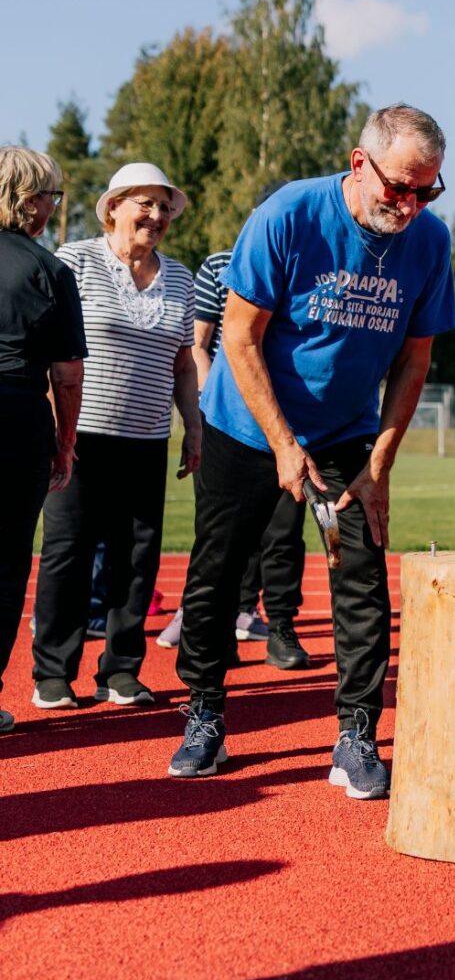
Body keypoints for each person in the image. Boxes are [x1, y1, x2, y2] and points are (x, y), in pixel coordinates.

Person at [170, 104, 455, 798]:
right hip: (246, 424)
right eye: (400, 188)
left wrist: (378, 465)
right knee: (217, 573)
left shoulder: (430, 242)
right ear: (361, 164)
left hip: (345, 432)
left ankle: (356, 732)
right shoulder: (289, 214)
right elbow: (237, 337)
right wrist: (281, 447)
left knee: (360, 573)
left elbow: (415, 363)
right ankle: (205, 714)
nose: (411, 205)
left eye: (428, 190)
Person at [30, 162, 202, 711]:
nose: (156, 215)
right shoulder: (73, 260)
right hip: (78, 436)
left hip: (146, 437)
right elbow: (47, 347)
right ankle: (53, 672)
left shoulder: (180, 277)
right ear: (112, 208)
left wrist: (192, 427)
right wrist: (57, 429)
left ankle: (121, 669)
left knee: (136, 556)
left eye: (163, 207)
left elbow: (183, 362)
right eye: (144, 204)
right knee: (67, 553)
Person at [157, 180, 311, 670]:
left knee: (284, 532)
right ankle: (215, 630)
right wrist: (210, 405)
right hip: (228, 415)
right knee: (222, 533)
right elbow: (200, 343)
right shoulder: (220, 265)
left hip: (290, 418)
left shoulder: (311, 262)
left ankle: (281, 628)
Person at [0, 146, 86, 733]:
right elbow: (66, 375)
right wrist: (64, 443)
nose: (54, 208)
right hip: (13, 421)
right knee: (5, 566)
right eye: (52, 197)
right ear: (32, 202)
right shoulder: (50, 271)